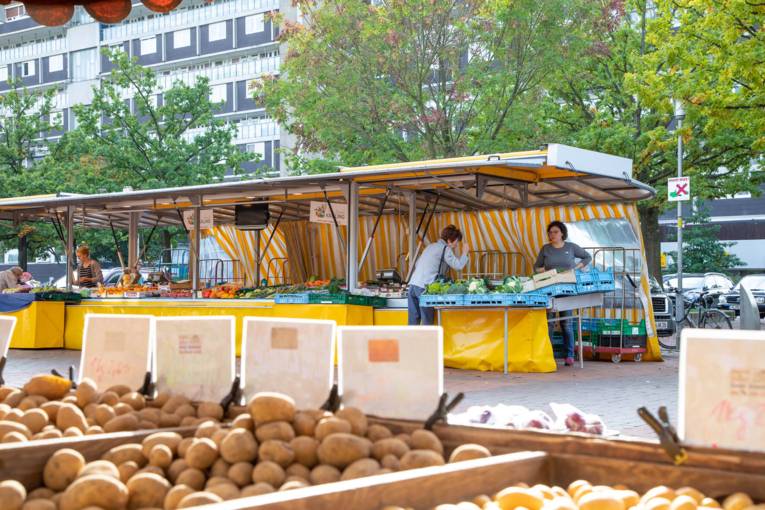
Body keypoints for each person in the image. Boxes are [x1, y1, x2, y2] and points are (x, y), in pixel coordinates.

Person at [534, 220, 592, 366]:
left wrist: (577, 267)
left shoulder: (571, 247)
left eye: (555, 232)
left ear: (562, 234)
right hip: (549, 289)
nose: (552, 234)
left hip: (567, 290)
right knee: (549, 324)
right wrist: (548, 271)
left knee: (566, 323)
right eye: (550, 232)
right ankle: (548, 354)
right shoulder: (545, 249)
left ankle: (570, 355)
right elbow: (536, 268)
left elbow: (587, 257)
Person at [408, 225, 469, 325]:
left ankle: (410, 341)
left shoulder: (430, 246)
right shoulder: (445, 249)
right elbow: (458, 266)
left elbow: (417, 263)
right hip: (423, 288)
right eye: (456, 242)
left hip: (413, 285)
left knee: (413, 322)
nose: (456, 245)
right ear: (449, 240)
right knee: (427, 322)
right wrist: (465, 253)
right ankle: (429, 341)